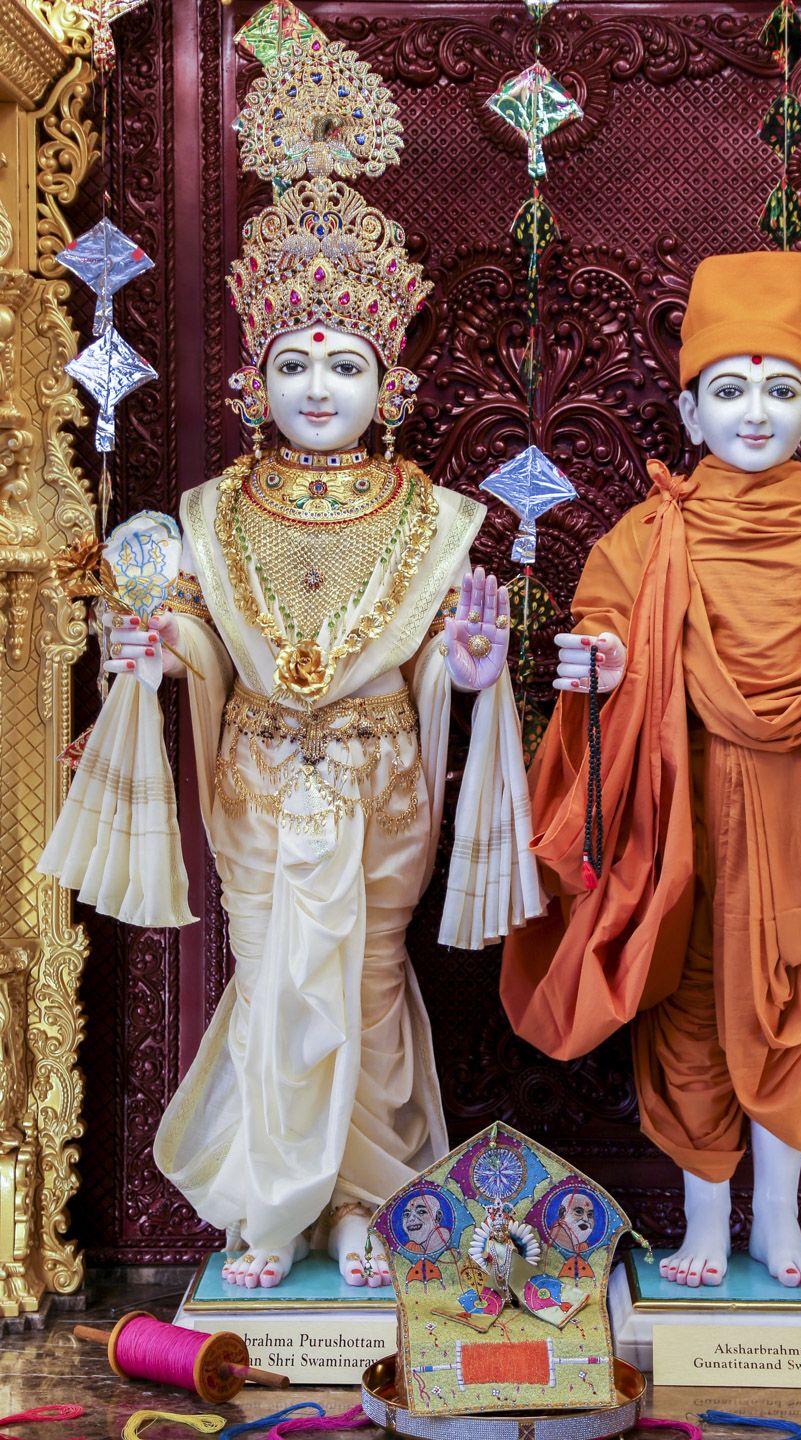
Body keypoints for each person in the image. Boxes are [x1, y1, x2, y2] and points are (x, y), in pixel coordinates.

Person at [42, 167, 542, 1291]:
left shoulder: (440, 519)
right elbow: (208, 641)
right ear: (254, 379)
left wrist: (463, 672)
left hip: (384, 783)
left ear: (390, 382)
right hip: (257, 779)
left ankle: (366, 1197)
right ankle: (275, 1202)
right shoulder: (213, 513)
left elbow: (428, 655)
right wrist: (163, 650)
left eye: (346, 364)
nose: (320, 388)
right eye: (295, 364)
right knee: (271, 979)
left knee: (362, 981)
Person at [501, 251, 801, 1291]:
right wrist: (608, 673)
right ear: (690, 409)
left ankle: (782, 1230)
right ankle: (705, 1226)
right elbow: (601, 651)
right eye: (729, 389)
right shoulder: (644, 537)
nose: (753, 413)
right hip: (683, 822)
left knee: (798, 1015)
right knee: (692, 1020)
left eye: (778, 391)